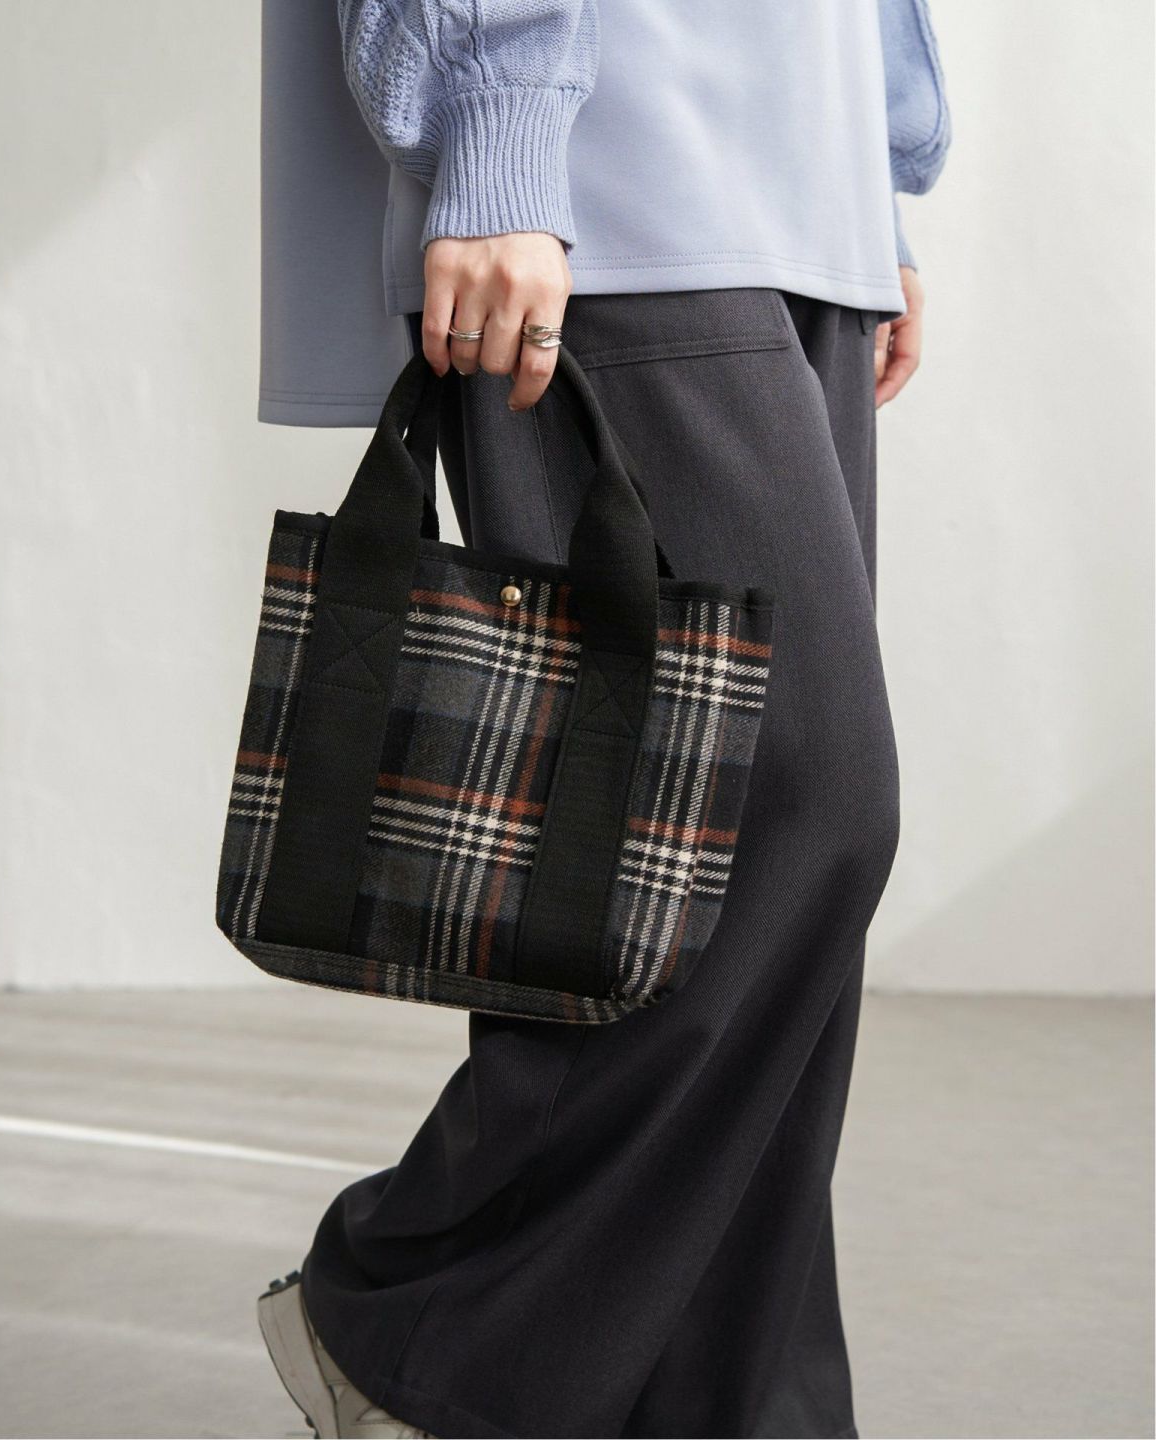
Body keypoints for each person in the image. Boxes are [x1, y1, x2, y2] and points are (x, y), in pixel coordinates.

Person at [254, 2, 951, 1435]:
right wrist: (500, 120)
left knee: (760, 903)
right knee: (783, 813)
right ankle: (416, 1331)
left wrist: (868, 169)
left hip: (795, 174)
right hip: (604, 157)